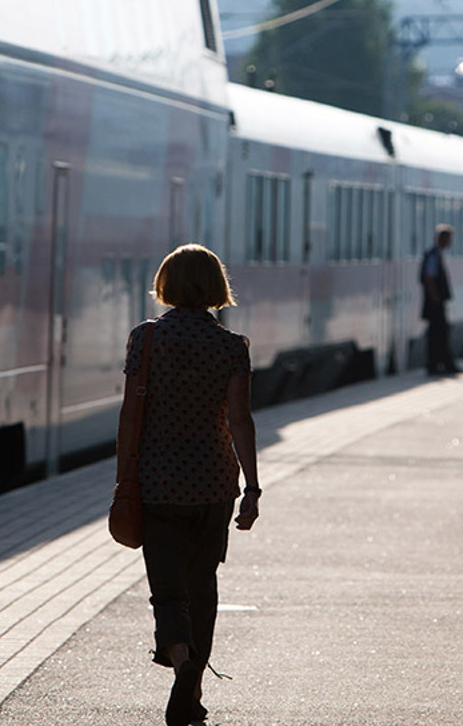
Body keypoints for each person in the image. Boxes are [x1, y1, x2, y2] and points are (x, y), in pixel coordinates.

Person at [117, 244, 260, 726]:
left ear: (167, 284)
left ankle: (182, 664)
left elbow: (130, 414)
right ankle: (192, 689)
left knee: (167, 593)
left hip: (158, 481)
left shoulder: (146, 339)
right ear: (216, 287)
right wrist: (253, 489)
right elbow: (239, 420)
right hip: (215, 483)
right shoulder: (231, 346)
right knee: (203, 588)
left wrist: (124, 477)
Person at [420, 224, 461, 375]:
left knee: (439, 332)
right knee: (438, 333)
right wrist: (436, 297)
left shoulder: (435, 254)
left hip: (434, 301)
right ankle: (438, 364)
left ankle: (440, 363)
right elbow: (429, 277)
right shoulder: (433, 255)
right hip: (434, 302)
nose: (449, 242)